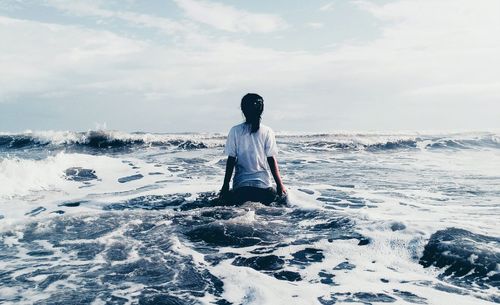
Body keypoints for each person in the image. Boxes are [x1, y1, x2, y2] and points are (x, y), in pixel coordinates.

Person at [219, 93, 286, 205]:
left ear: (243, 110)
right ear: (261, 110)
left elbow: (231, 160)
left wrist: (225, 186)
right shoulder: (267, 131)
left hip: (241, 189)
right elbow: (271, 160)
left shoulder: (235, 131)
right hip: (264, 189)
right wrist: (280, 185)